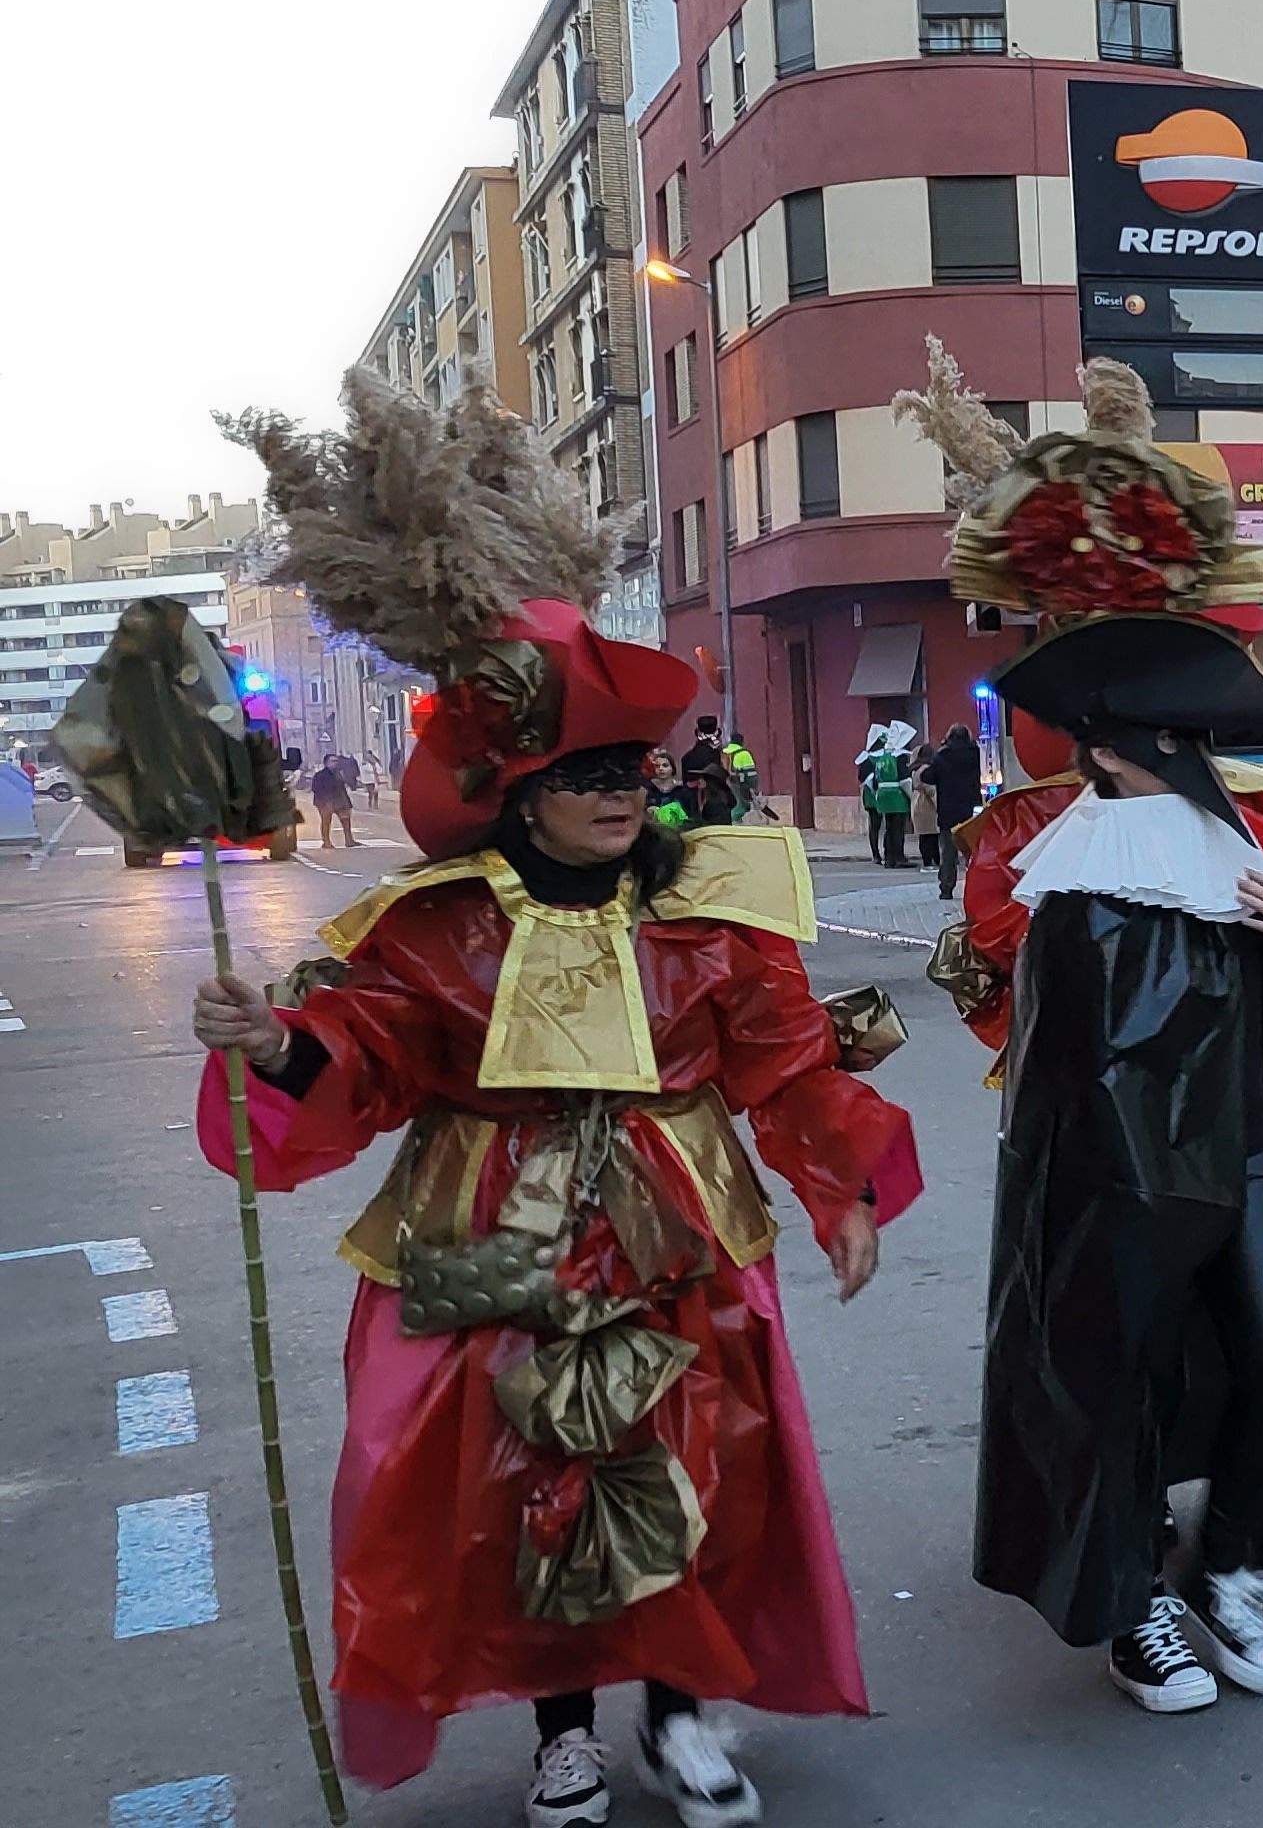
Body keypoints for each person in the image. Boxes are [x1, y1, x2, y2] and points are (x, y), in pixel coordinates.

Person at [204, 381, 920, 1820]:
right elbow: (375, 1051)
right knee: (513, 1472)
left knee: (699, 1456)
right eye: (582, 771)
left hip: (676, 1224)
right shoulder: (429, 926)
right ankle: (561, 1733)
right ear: (516, 792)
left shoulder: (715, 917)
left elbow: (784, 1060)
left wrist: (841, 1189)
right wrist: (276, 1046)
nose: (618, 791)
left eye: (633, 770)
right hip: (486, 1222)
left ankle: (683, 1712)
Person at [974, 612, 1263, 1713]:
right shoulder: (1074, 878)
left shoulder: (1230, 845)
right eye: (1162, 735)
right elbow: (1059, 1066)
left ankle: (1222, 1564)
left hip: (1235, 1151)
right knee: (1121, 1380)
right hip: (1122, 1174)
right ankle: (1133, 1596)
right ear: (1104, 748)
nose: (1186, 754)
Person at [923, 723, 984, 900]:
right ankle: (977, 886)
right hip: (970, 811)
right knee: (972, 852)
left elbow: (927, 776)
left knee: (948, 854)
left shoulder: (943, 756)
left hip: (948, 812)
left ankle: (947, 888)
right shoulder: (975, 754)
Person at [857, 721, 917, 866]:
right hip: (897, 796)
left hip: (883, 796)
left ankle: (889, 857)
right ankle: (898, 857)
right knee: (898, 828)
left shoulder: (885, 756)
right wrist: (912, 796)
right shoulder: (899, 756)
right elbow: (904, 780)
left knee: (889, 827)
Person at [679, 715, 732, 823]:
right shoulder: (718, 756)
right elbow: (723, 779)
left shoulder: (686, 757)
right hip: (714, 800)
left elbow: (685, 781)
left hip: (691, 801)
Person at [305, 747, 359, 847]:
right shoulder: (320, 775)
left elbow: (344, 786)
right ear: (326, 763)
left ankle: (349, 840)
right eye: (333, 761)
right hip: (325, 802)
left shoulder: (339, 774)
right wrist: (325, 801)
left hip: (340, 801)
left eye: (336, 761)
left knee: (346, 820)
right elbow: (316, 789)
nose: (336, 763)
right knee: (326, 821)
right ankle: (326, 841)